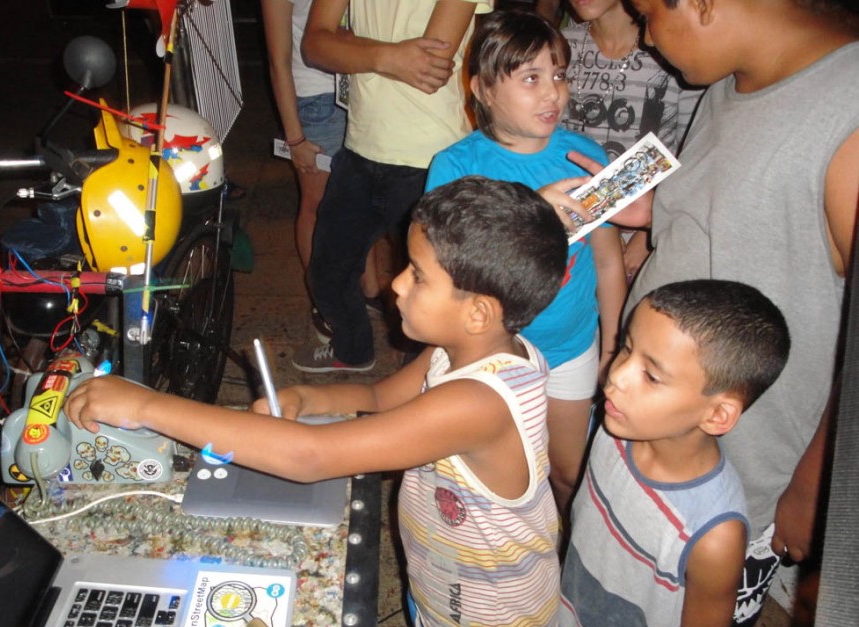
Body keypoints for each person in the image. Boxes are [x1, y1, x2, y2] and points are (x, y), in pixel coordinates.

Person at [65, 177, 568, 627]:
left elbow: (310, 456)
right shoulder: (459, 352)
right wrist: (306, 396)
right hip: (442, 591)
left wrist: (147, 406)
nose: (395, 283)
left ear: (478, 313)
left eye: (417, 275)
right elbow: (379, 397)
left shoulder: (478, 402)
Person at [623, 0, 858, 627]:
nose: (647, 37)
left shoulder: (846, 114)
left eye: (648, 14)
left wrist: (817, 483)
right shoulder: (726, 80)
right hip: (655, 423)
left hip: (742, 473)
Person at [426, 10, 642, 518]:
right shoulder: (455, 166)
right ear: (482, 89)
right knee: (490, 468)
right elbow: (447, 270)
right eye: (531, 78)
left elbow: (608, 261)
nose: (553, 93)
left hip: (571, 345)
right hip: (488, 352)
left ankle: (570, 546)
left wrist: (612, 342)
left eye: (559, 75)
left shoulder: (583, 157)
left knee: (568, 470)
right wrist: (531, 215)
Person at [557, 279, 791, 627]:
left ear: (717, 414)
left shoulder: (713, 535)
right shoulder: (614, 430)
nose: (617, 376)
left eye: (651, 376)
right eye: (626, 348)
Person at [290, 0, 493, 373]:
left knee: (437, 286)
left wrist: (351, 47)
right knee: (327, 272)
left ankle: (424, 376)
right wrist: (388, 56)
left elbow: (429, 65)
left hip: (433, 156)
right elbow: (315, 45)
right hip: (359, 146)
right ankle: (353, 349)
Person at [556, 0, 702, 281]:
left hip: (644, 231)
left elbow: (693, 151)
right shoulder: (558, 46)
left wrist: (649, 234)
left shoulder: (672, 49)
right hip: (570, 232)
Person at [259, 0, 348, 341]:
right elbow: (278, 61)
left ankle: (366, 290)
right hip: (316, 98)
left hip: (364, 91)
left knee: (359, 197)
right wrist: (294, 137)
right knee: (318, 206)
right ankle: (323, 301)